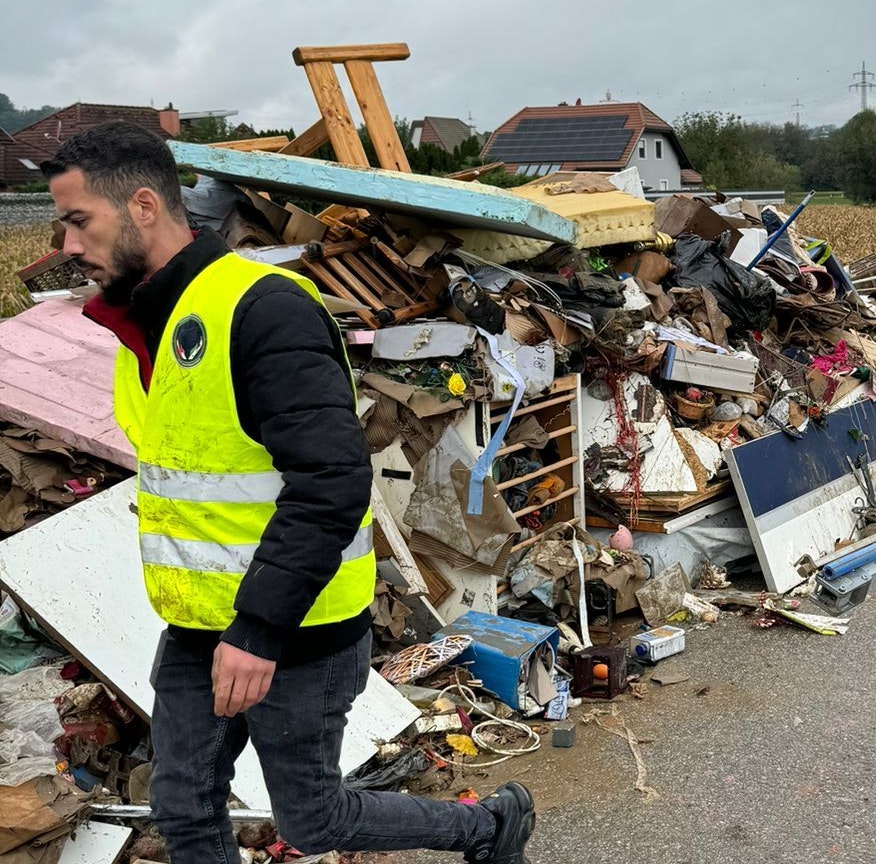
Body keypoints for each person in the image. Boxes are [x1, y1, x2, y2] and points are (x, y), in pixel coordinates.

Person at [44, 121, 536, 864]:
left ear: (144, 206)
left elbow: (332, 481)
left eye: (79, 221)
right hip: (199, 625)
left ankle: (489, 828)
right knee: (183, 805)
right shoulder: (146, 329)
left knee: (312, 821)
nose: (67, 244)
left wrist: (258, 630)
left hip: (296, 626)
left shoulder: (262, 308)